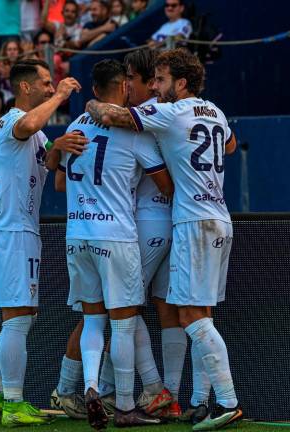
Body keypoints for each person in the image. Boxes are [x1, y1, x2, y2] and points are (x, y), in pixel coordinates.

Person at [85, 48, 243, 431]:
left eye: (161, 79)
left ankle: (227, 401)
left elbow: (112, 116)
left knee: (190, 315)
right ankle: (200, 402)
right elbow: (230, 145)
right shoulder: (215, 111)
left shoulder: (171, 112)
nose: (155, 86)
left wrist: (92, 102)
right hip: (220, 217)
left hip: (192, 221)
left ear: (181, 83)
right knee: (203, 313)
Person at [59, 58, 174, 428]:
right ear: (125, 86)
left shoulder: (75, 125)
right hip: (116, 235)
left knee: (92, 319)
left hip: (77, 234)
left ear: (94, 91)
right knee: (123, 324)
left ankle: (91, 387)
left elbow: (59, 182)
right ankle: (124, 406)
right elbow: (166, 185)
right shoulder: (133, 133)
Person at [0, 59, 83, 427]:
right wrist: (60, 97)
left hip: (22, 230)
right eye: (45, 82)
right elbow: (28, 125)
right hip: (12, 232)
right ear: (25, 87)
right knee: (18, 318)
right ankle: (14, 403)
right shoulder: (13, 119)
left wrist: (60, 146)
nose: (50, 86)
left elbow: (48, 160)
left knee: (20, 316)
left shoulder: (36, 133)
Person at [123, 47, 186, 421]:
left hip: (147, 222)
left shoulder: (145, 115)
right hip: (174, 221)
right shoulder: (178, 112)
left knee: (123, 306)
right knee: (167, 307)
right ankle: (171, 397)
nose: (126, 85)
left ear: (149, 83)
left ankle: (149, 387)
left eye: (131, 77)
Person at [0, 39, 22, 127]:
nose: (12, 52)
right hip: (1, 101)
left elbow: (21, 89)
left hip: (16, 100)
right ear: (5, 52)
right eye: (9, 49)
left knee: (13, 101)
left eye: (15, 49)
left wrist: (9, 76)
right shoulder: (0, 64)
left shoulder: (23, 66)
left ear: (19, 51)